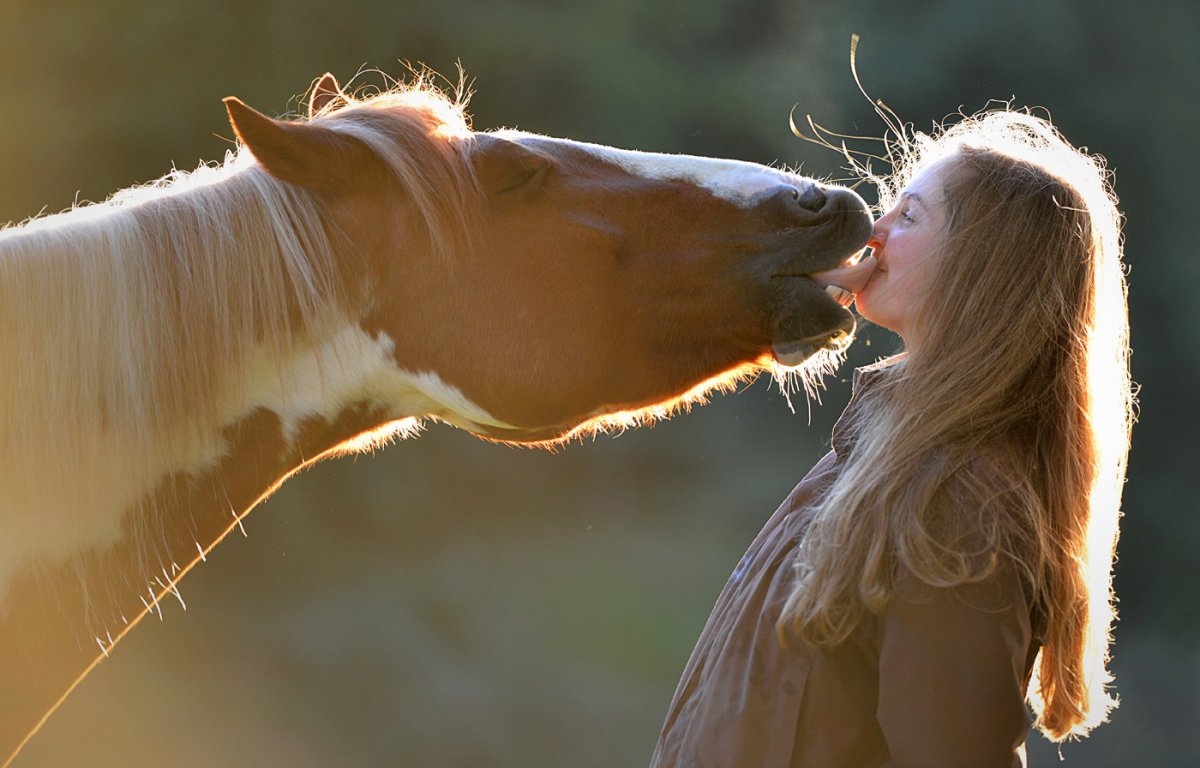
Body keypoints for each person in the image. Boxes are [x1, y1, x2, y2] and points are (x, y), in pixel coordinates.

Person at [650, 110, 1133, 767]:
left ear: (980, 269)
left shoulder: (958, 501)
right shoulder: (888, 449)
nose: (873, 231)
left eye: (909, 216)